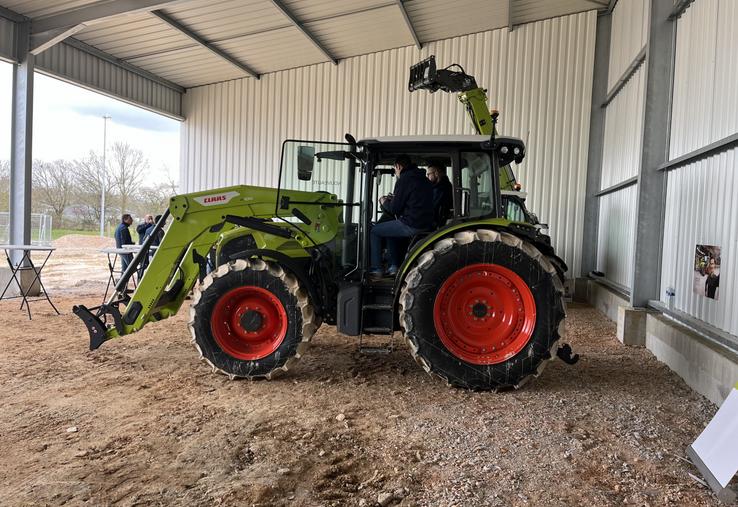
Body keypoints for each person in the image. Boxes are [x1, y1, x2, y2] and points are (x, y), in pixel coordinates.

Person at [369, 155, 434, 279]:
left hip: (412, 223)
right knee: (390, 231)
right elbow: (414, 200)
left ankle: (376, 269)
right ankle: (393, 267)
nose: (396, 172)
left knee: (375, 231)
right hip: (425, 222)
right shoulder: (424, 180)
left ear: (398, 166)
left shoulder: (404, 180)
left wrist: (384, 201)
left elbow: (394, 209)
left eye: (395, 170)